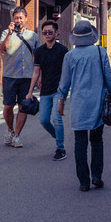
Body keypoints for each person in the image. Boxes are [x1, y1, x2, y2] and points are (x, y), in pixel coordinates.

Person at [57, 20, 111, 191]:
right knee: (97, 141)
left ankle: (83, 181)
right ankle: (97, 176)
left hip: (78, 104)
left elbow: (64, 83)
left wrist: (61, 103)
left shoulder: (70, 56)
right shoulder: (100, 51)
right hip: (97, 102)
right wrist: (110, 94)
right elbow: (109, 79)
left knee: (80, 142)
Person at [0, 7, 40, 148]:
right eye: (16, 18)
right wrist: (9, 34)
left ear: (26, 19)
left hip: (27, 77)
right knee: (8, 106)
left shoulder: (33, 36)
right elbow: (3, 49)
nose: (18, 20)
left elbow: (38, 58)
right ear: (13, 19)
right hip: (10, 75)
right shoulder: (6, 33)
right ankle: (9, 129)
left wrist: (40, 77)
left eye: (21, 18)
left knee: (24, 106)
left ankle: (16, 135)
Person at [30, 19, 68, 161]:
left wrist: (66, 89)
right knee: (44, 120)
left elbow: (67, 71)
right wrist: (29, 91)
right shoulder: (39, 51)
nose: (47, 35)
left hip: (59, 90)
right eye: (44, 32)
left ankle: (60, 148)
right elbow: (36, 72)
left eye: (50, 32)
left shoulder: (63, 51)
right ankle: (58, 136)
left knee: (57, 118)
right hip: (45, 90)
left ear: (56, 33)